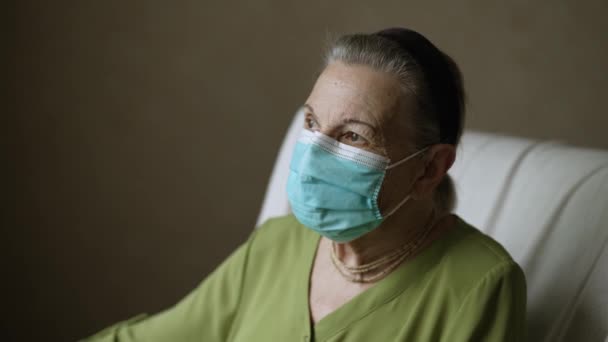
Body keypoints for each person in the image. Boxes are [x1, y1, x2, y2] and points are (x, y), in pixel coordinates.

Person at [82, 27, 526, 342]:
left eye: (353, 135)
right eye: (312, 123)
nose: (313, 154)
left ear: (430, 168)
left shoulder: (481, 285)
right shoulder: (276, 243)